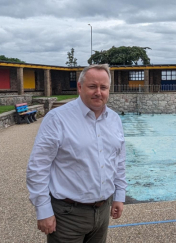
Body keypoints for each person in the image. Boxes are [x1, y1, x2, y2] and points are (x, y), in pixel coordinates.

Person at [26, 64, 127, 242]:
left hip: (103, 211)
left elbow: (118, 160)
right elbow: (38, 166)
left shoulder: (114, 119)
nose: (98, 92)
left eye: (103, 87)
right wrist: (43, 210)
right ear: (80, 87)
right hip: (67, 215)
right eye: (92, 86)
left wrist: (119, 195)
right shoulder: (57, 118)